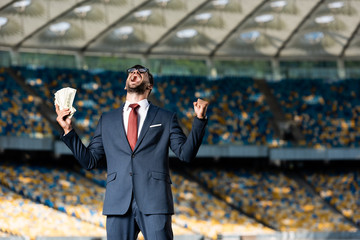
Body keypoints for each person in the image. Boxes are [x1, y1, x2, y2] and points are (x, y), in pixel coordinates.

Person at [55, 65, 209, 240]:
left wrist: (199, 120)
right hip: (118, 203)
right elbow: (90, 161)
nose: (135, 73)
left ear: (149, 85)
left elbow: (185, 154)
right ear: (125, 84)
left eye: (141, 72)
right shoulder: (107, 119)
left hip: (155, 202)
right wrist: (68, 131)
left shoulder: (166, 117)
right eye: (131, 72)